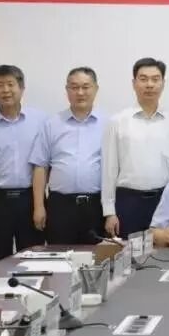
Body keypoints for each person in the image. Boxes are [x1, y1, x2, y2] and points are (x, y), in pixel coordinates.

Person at [102, 58, 169, 238]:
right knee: (129, 253)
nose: (149, 84)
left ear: (163, 83)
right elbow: (109, 169)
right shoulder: (118, 121)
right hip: (128, 202)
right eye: (143, 79)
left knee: (163, 252)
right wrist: (109, 212)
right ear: (134, 83)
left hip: (162, 201)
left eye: (155, 79)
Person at [30, 67, 105, 245]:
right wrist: (39, 206)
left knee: (96, 257)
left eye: (85, 87)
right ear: (67, 90)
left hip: (96, 205)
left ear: (96, 89)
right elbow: (40, 166)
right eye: (74, 87)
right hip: (60, 206)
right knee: (59, 256)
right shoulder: (52, 124)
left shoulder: (108, 124)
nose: (80, 92)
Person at [0, 65, 46, 264]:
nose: (6, 90)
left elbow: (44, 164)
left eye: (11, 84)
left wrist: (40, 206)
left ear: (22, 88)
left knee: (33, 260)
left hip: (30, 199)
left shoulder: (40, 121)